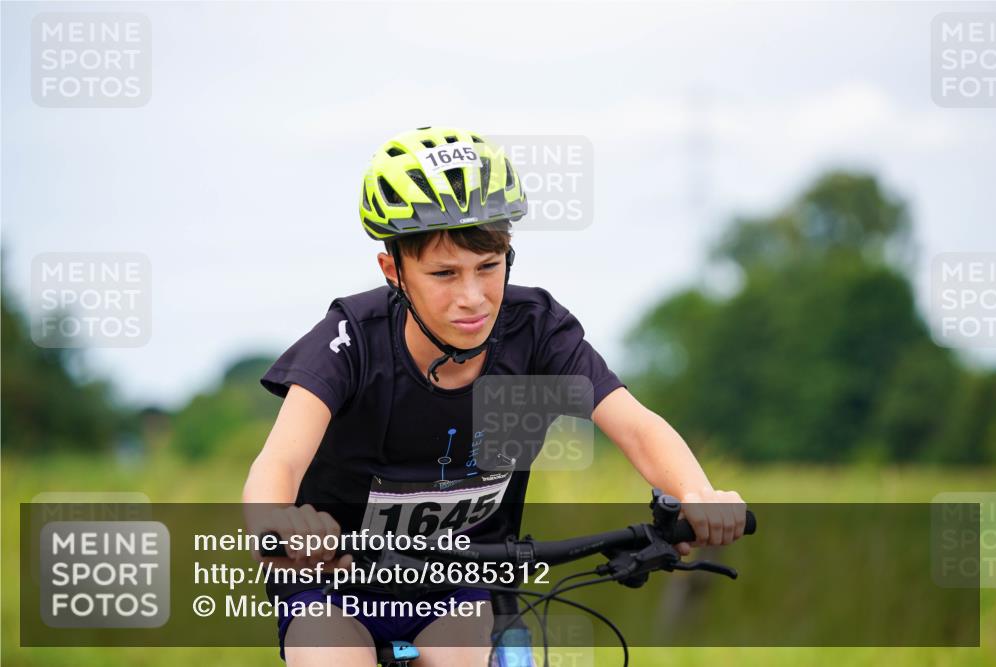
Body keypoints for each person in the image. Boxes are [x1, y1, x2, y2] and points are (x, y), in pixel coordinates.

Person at [242, 126, 747, 666]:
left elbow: (636, 425)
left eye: (489, 267)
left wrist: (697, 493)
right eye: (444, 273)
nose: (473, 297)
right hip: (332, 583)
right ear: (394, 271)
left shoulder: (536, 329)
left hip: (460, 587)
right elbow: (278, 462)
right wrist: (280, 523)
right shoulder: (351, 339)